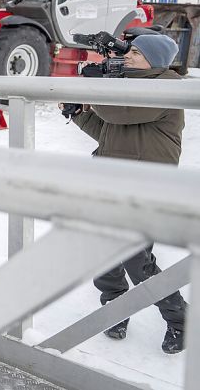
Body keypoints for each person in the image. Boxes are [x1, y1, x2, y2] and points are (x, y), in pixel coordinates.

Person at [66, 33, 188, 354]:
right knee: (105, 256)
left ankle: (180, 320)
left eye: (135, 52)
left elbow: (117, 113)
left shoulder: (166, 88)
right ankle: (116, 311)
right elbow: (108, 131)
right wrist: (78, 113)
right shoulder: (129, 87)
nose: (127, 57)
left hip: (146, 189)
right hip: (112, 184)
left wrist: (97, 84)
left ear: (154, 61)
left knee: (137, 261)